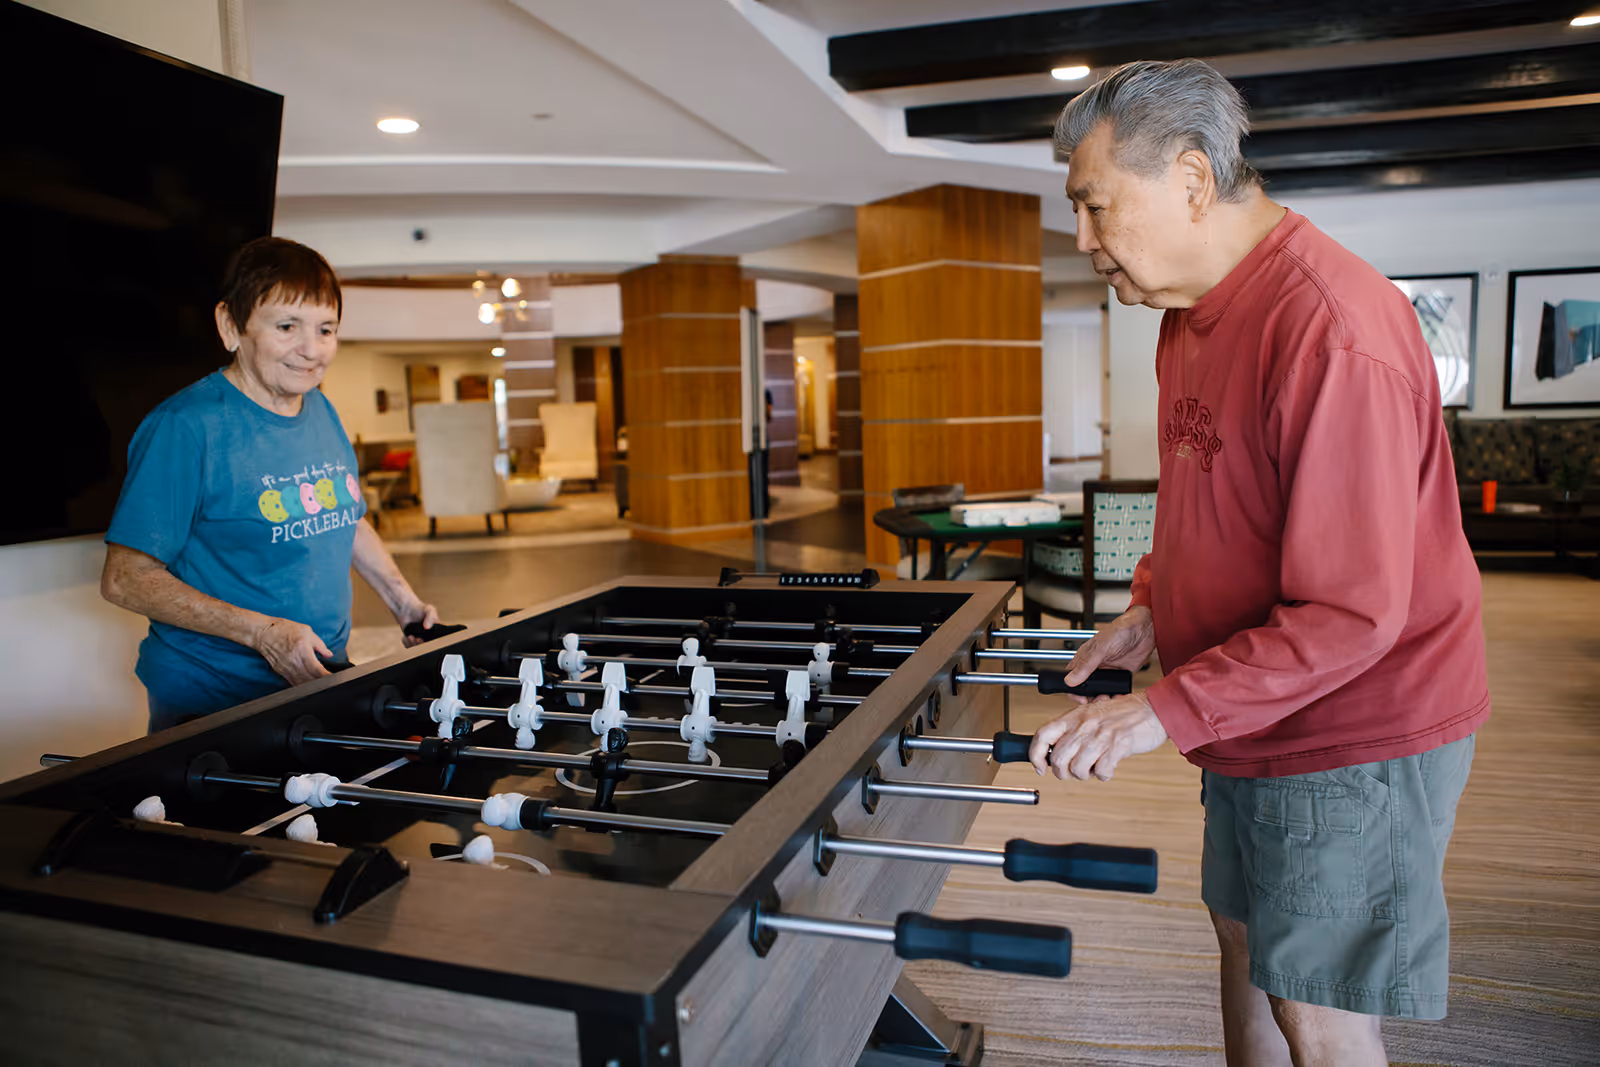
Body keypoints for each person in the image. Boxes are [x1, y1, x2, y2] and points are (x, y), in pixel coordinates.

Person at [1029, 60, 1489, 1066]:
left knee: (1317, 1006)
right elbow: (1208, 495)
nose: (1083, 241)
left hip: (1348, 727)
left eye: (1094, 205)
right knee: (1245, 947)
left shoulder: (1330, 326)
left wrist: (1157, 710)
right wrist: (1151, 608)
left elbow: (1352, 613)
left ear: (1191, 180)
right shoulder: (1184, 316)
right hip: (1250, 703)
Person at [101, 237, 440, 733]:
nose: (311, 350)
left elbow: (345, 514)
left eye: (326, 329)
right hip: (215, 700)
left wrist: (405, 605)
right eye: (287, 326)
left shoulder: (320, 408)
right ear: (230, 326)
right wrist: (263, 634)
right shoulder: (186, 426)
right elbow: (124, 577)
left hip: (320, 678)